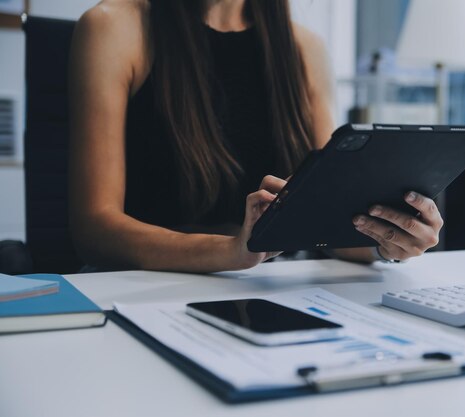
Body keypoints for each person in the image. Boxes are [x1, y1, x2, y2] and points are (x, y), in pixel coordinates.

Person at [68, 0, 443, 273]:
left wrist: (387, 242)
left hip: (271, 290)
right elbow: (94, 228)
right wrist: (229, 252)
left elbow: (327, 220)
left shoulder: (304, 48)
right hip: (145, 290)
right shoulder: (114, 27)